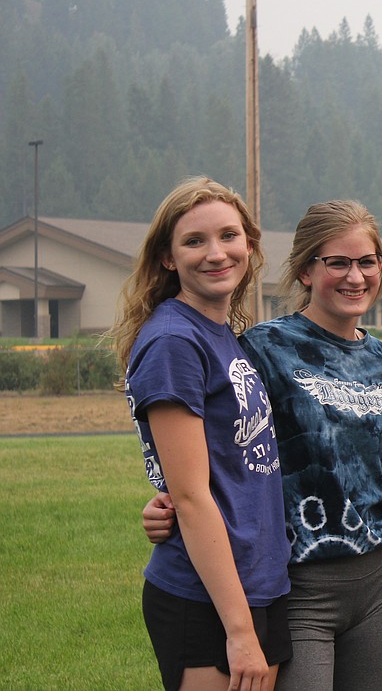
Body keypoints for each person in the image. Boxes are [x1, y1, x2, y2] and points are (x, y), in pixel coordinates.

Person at [144, 200, 382, 691]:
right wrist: (167, 500)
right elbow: (221, 445)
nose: (355, 276)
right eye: (337, 263)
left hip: (375, 576)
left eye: (367, 262)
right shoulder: (263, 346)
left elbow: (380, 459)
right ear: (306, 269)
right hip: (298, 580)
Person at [113, 177, 291, 691]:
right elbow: (190, 497)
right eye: (194, 241)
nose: (216, 253)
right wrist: (238, 632)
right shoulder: (174, 341)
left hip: (257, 581)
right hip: (206, 596)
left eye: (229, 236)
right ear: (168, 258)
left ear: (249, 245)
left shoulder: (221, 335)